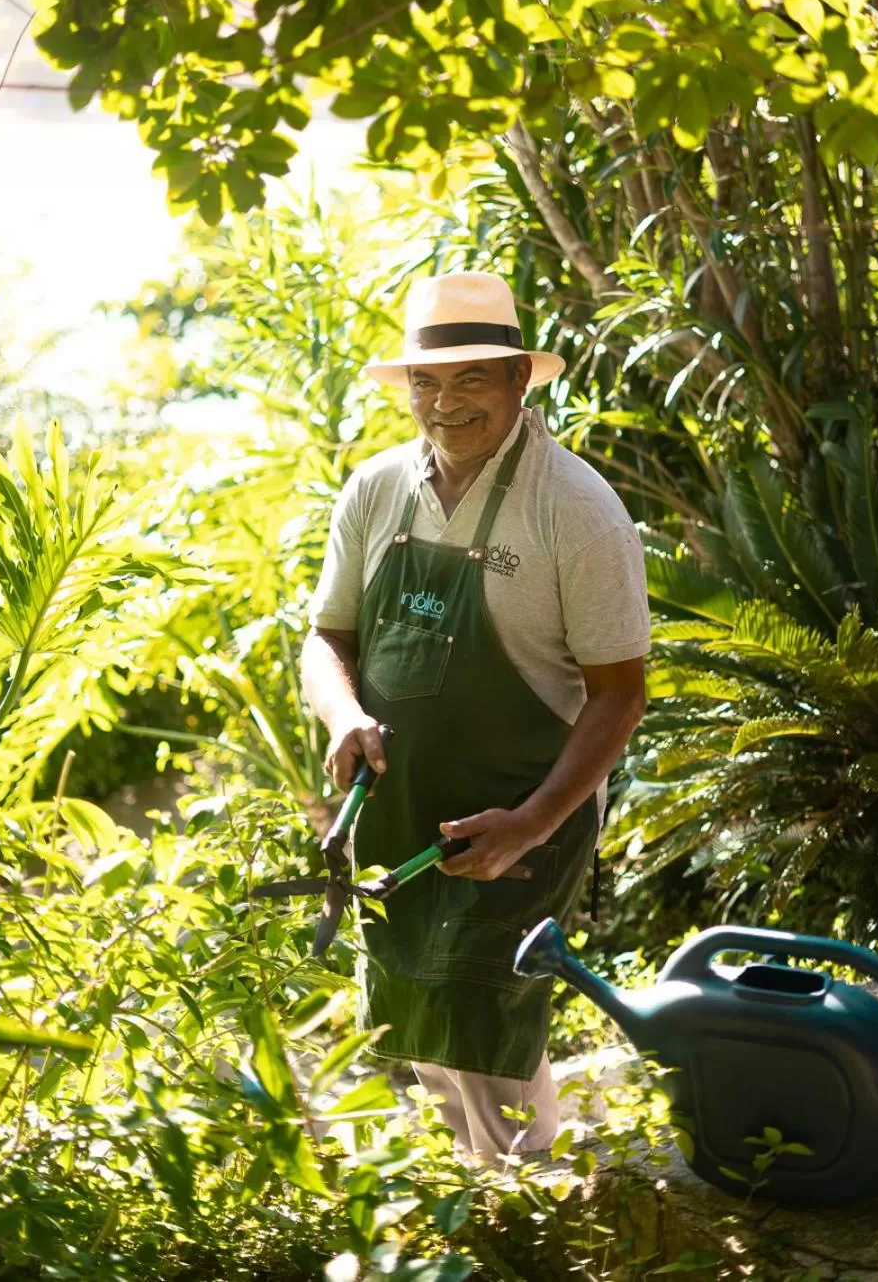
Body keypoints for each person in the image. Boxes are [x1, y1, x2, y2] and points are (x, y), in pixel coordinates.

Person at [300, 270, 650, 1158]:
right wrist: (343, 714)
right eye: (427, 381)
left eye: (471, 380)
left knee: (484, 1012)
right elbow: (324, 640)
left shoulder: (575, 510)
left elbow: (620, 694)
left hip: (523, 812)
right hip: (397, 809)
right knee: (416, 1019)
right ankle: (480, 1198)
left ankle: (521, 1206)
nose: (444, 403)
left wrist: (531, 824)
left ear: (520, 380)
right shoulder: (374, 492)